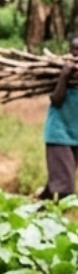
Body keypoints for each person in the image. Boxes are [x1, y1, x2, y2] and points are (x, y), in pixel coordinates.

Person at [40, 35, 78, 201]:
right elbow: (56, 100)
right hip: (59, 133)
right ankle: (64, 222)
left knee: (61, 175)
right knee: (65, 186)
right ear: (69, 51)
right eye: (76, 50)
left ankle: (41, 204)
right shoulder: (59, 70)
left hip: (76, 133)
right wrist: (64, 77)